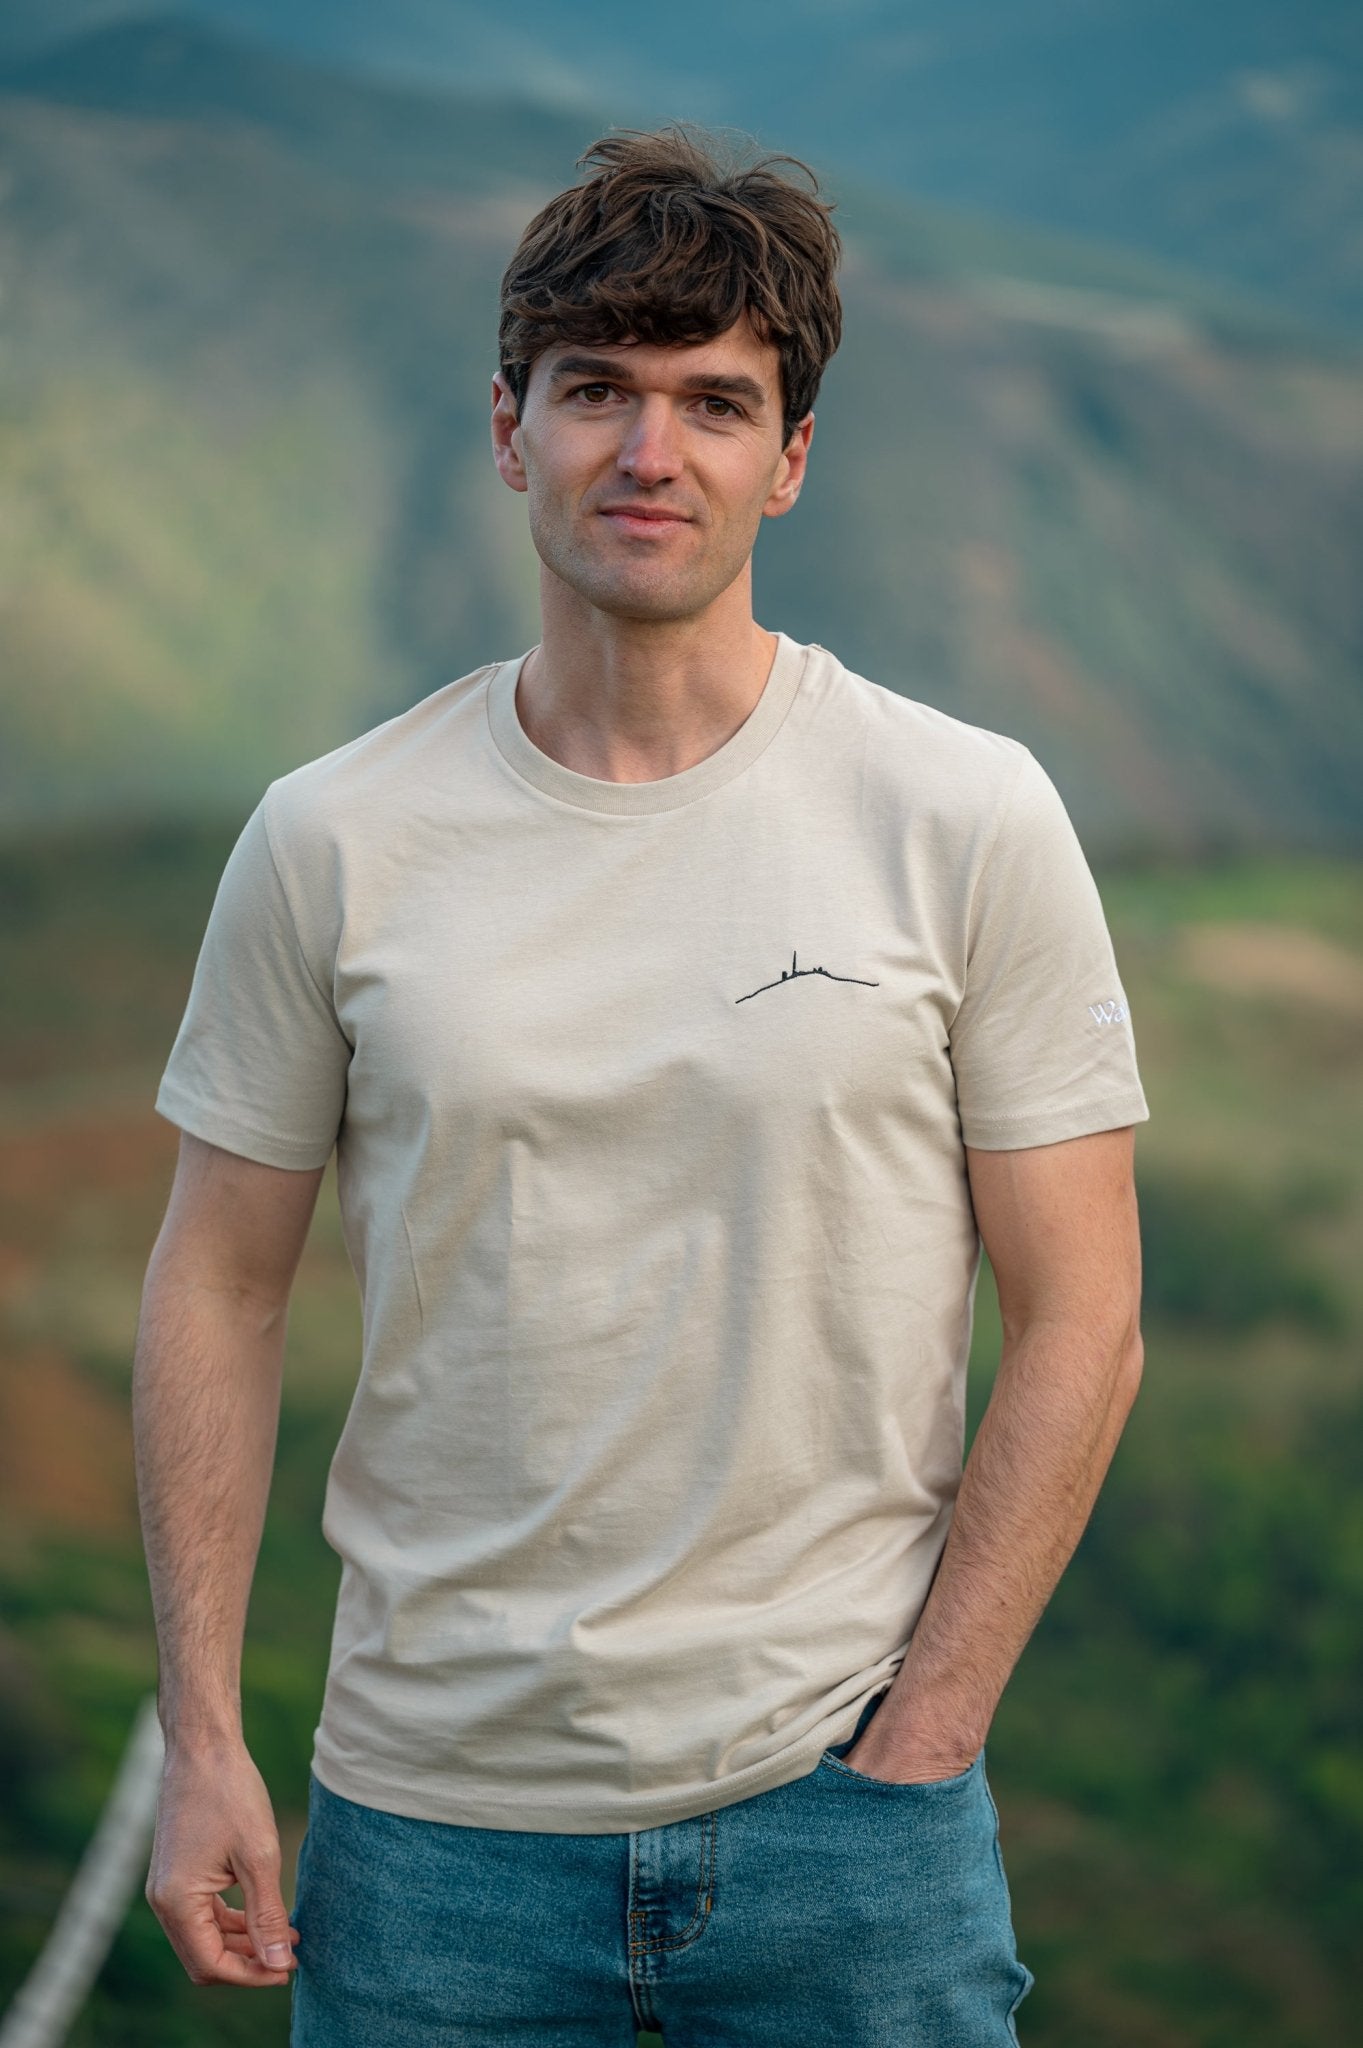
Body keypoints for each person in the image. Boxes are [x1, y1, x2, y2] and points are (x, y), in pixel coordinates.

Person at [135, 125, 1148, 2046]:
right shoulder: (331, 838)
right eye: (596, 391)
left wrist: (928, 1732)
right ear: (511, 428)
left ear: (795, 455)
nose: (649, 452)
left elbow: (1087, 1312)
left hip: (850, 1822)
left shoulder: (963, 814)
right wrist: (203, 1733)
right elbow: (216, 1284)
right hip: (430, 1836)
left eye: (714, 402)